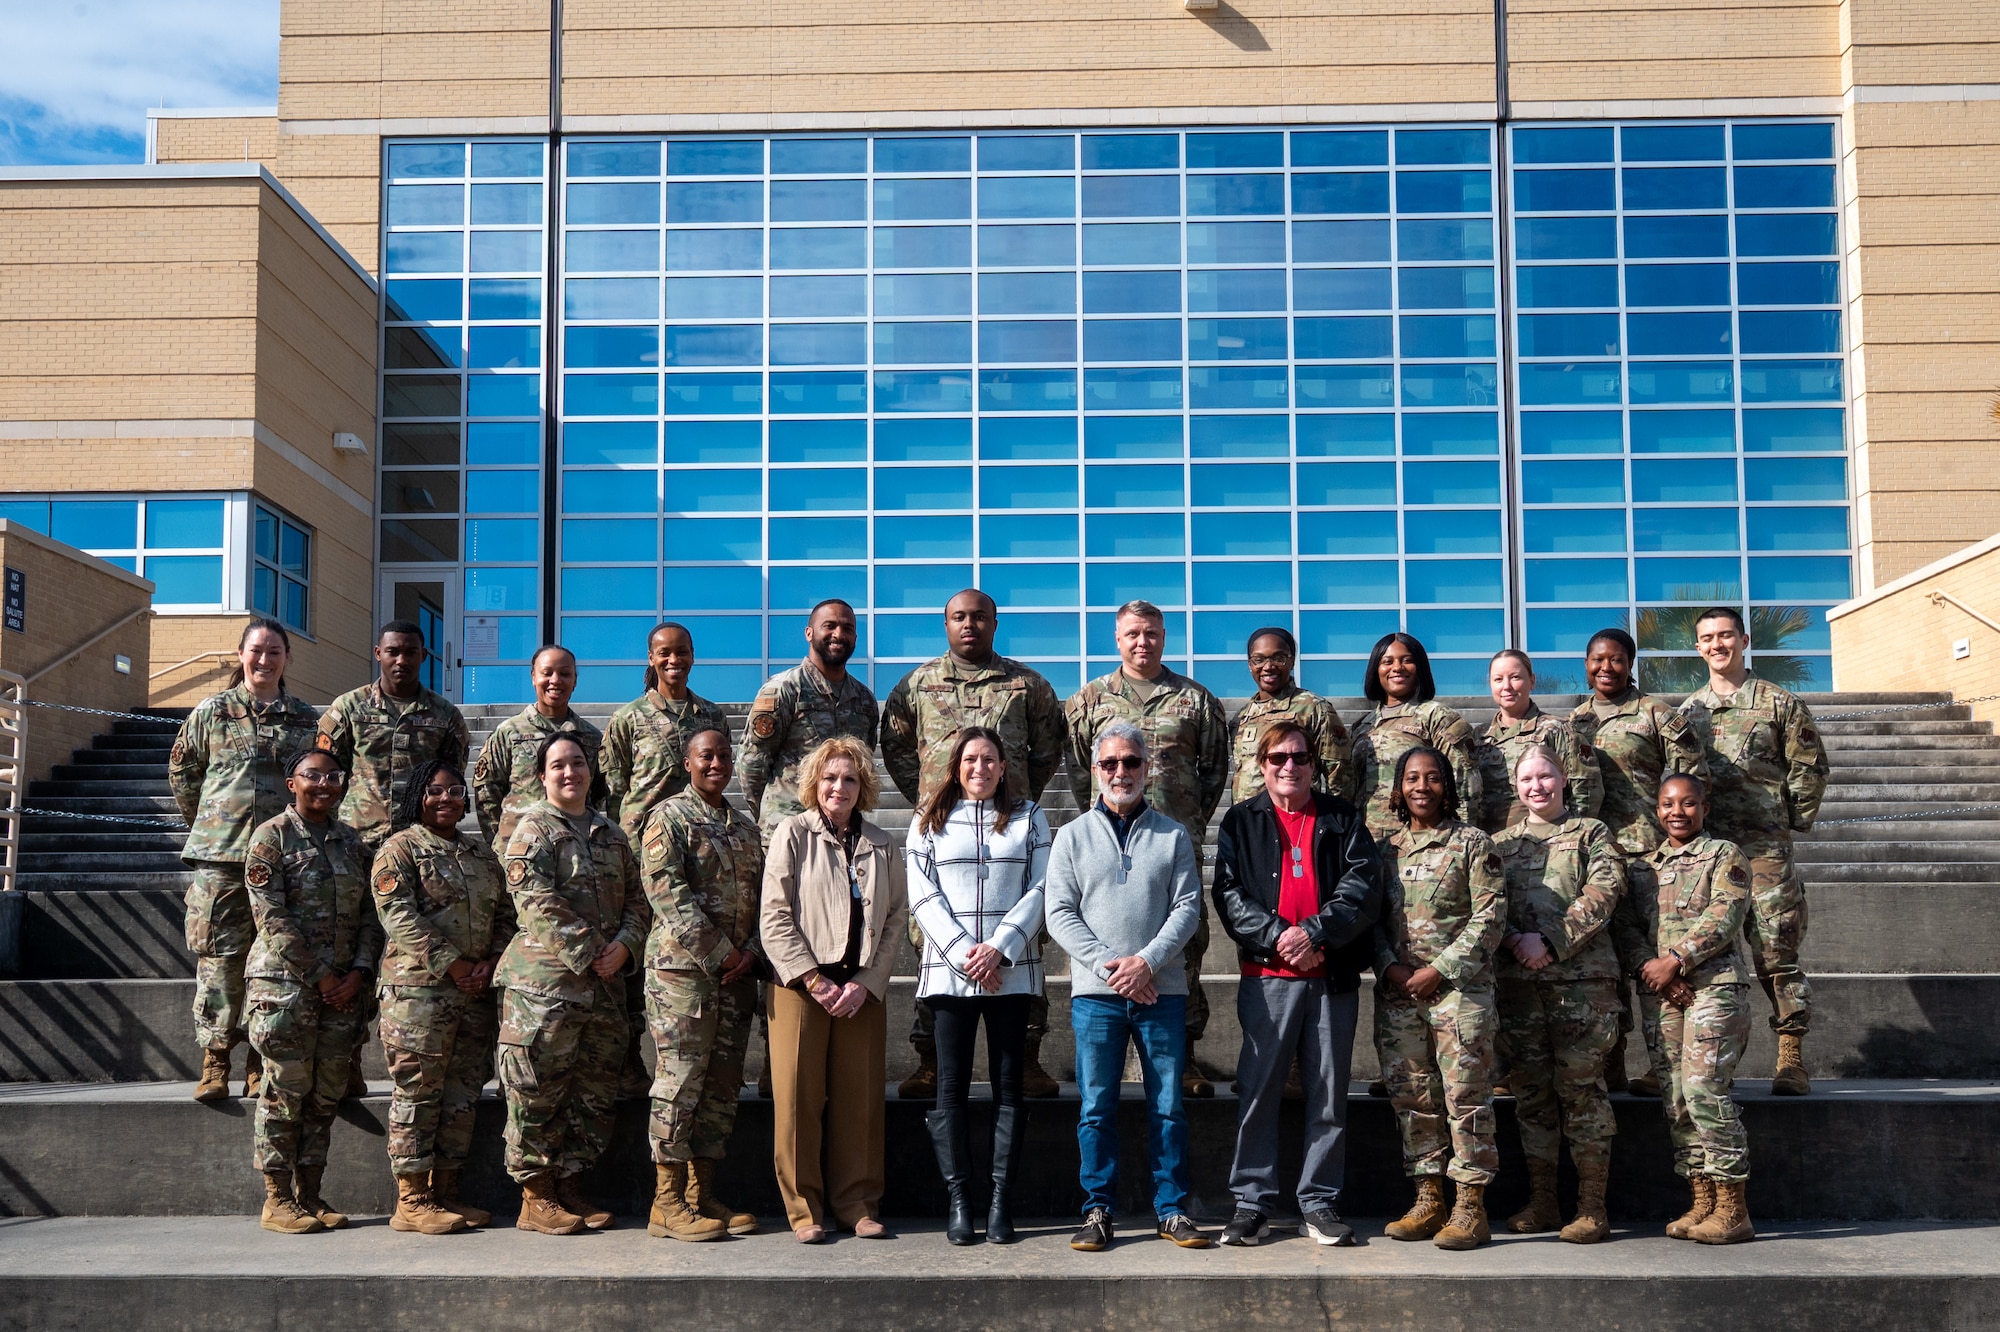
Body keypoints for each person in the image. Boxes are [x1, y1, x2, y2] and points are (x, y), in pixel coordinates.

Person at [880, 589, 1065, 1101]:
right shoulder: (915, 684)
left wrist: (1019, 792)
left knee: (1026, 942)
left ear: (994, 623)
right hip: (944, 832)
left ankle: (1026, 1059)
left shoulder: (1028, 685)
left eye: (979, 617)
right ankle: (930, 1062)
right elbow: (896, 747)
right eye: (959, 617)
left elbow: (1049, 747)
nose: (970, 625)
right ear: (946, 624)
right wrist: (933, 799)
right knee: (931, 947)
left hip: (1011, 831)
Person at [1212, 721, 1381, 1249]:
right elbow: (1230, 893)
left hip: (1330, 976)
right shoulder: (1241, 821)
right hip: (1268, 980)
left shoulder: (1343, 817)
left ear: (1314, 764)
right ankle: (1251, 1202)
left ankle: (1318, 1200)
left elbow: (1362, 886)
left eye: (1300, 757)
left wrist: (1312, 933)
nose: (1290, 766)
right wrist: (1279, 936)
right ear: (1261, 765)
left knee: (1329, 1093)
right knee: (1259, 1091)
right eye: (1278, 757)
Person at [1045, 721, 1208, 1253]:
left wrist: (1147, 962)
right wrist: (1115, 967)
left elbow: (1187, 909)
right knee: (1096, 1107)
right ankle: (1097, 1210)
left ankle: (1173, 1209)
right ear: (1095, 771)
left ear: (1147, 768)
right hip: (1096, 995)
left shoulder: (1174, 834)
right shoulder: (1070, 836)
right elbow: (1059, 914)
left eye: (1131, 762)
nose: (1122, 772)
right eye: (1111, 763)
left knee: (1168, 1107)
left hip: (1162, 993)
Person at [1064, 600, 1228, 1099]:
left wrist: (1188, 819)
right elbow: (1078, 771)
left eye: (1152, 633)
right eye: (1133, 633)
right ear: (1117, 638)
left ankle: (1185, 1056)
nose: (1143, 641)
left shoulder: (1196, 700)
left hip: (1174, 841)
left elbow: (1214, 773)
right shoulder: (1089, 701)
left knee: (1187, 942)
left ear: (1164, 636)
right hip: (1108, 842)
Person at [495, 733, 649, 1235]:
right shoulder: (532, 830)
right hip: (545, 990)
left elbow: (639, 902)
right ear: (542, 776)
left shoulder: (612, 833)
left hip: (603, 990)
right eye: (558, 765)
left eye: (578, 763)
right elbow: (534, 899)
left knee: (591, 1093)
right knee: (537, 1091)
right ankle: (535, 1196)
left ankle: (569, 1187)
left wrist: (624, 946)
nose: (569, 773)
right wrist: (591, 952)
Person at [905, 727, 1052, 1245]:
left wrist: (1000, 948)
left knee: (1009, 1086)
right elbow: (922, 895)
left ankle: (999, 1202)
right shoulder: (928, 821)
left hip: (1010, 972)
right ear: (956, 765)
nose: (980, 768)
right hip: (951, 973)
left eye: (990, 760)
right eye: (971, 759)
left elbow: (1043, 886)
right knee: (951, 1086)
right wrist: (968, 953)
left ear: (1004, 766)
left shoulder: (1031, 817)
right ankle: (960, 1199)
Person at [759, 735, 908, 1243]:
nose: (838, 787)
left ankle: (857, 1203)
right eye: (829, 778)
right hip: (802, 988)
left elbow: (893, 921)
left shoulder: (884, 845)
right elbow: (774, 917)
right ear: (813, 784)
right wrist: (815, 980)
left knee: (860, 1101)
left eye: (848, 778)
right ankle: (805, 1211)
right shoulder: (792, 834)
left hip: (860, 991)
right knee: (798, 1101)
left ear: (863, 785)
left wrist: (866, 983)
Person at [1677, 607, 1829, 1097]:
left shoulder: (1779, 703)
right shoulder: (1686, 712)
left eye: (1725, 635)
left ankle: (1791, 1055)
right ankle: (1696, 1061)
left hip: (1763, 848)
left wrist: (1787, 818)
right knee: (1702, 953)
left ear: (1744, 640)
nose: (1717, 644)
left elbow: (1809, 767)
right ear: (1697, 648)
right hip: (1707, 851)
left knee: (1775, 949)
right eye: (1707, 638)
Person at [168, 618, 320, 1102]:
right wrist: (211, 821)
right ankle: (215, 1062)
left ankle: (260, 1061)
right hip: (223, 857)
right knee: (221, 962)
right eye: (256, 650)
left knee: (273, 963)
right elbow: (183, 771)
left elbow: (316, 781)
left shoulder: (304, 719)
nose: (264, 660)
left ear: (287, 659)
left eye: (274, 651)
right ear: (241, 655)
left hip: (283, 859)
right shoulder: (211, 712)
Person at [738, 599, 880, 1101]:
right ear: (808, 633)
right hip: (789, 838)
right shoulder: (781, 691)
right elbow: (751, 769)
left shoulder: (864, 701)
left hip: (842, 841)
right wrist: (778, 824)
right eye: (829, 626)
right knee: (782, 944)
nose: (838, 633)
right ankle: (777, 1059)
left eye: (846, 627)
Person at [371, 758, 514, 1235]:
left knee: (461, 1096)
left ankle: (447, 1193)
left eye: (455, 791)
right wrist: (454, 965)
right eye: (435, 791)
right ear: (418, 796)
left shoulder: (480, 855)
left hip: (473, 994)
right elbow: (399, 915)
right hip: (419, 995)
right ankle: (411, 1199)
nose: (446, 799)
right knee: (418, 1093)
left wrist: (490, 964)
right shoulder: (400, 849)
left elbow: (506, 918)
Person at [1371, 746, 1506, 1251]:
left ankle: (1471, 1207)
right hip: (1400, 993)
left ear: (1447, 786)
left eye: (1431, 778)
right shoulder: (1386, 849)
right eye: (1411, 778)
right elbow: (1374, 921)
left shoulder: (1473, 843)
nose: (1421, 786)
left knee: (1466, 1097)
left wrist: (1439, 971)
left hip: (1459, 994)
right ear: (1399, 788)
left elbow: (1490, 917)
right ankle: (1429, 1199)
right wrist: (1391, 966)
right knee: (1413, 1097)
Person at [1613, 774, 1756, 1244]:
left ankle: (1733, 1207)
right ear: (1657, 809)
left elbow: (1725, 914)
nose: (1678, 812)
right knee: (1675, 1099)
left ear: (1704, 808)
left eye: (1688, 803)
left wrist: (1676, 962)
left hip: (1714, 988)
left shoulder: (1724, 855)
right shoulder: (1643, 868)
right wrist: (1652, 971)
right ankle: (1702, 1200)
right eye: (1668, 804)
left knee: (1704, 1090)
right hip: (1663, 995)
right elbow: (1628, 931)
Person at [243, 746, 381, 1235]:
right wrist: (321, 975)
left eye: (332, 777)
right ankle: (277, 1198)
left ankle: (311, 1193)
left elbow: (371, 914)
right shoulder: (270, 839)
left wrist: (359, 972)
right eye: (312, 776)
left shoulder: (352, 842)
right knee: (285, 1090)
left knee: (324, 1096)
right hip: (286, 989)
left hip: (344, 990)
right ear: (291, 783)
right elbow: (271, 918)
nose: (324, 785)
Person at [1493, 744, 1627, 1244]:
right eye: (1527, 778)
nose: (1537, 786)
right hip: (1520, 990)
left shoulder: (1591, 833)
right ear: (1515, 784)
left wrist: (1550, 941)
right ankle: (1544, 1200)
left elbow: (1604, 892)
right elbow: (1485, 903)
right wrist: (1514, 941)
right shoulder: (1499, 844)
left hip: (1582, 989)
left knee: (1582, 1094)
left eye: (1545, 776)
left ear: (1564, 778)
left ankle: (1592, 1205)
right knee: (1531, 1097)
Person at [638, 727, 765, 1243]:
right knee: (680, 1083)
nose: (716, 763)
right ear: (687, 762)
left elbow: (766, 899)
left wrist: (751, 953)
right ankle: (665, 1202)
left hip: (735, 979)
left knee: (720, 1088)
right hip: (683, 977)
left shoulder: (745, 828)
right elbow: (667, 892)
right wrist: (721, 953)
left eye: (723, 756)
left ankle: (701, 1193)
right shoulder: (668, 818)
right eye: (705, 756)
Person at [1572, 627, 1709, 1098]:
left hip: (1651, 855)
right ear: (1585, 664)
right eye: (1596, 659)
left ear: (1631, 664)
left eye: (1615, 659)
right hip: (1597, 857)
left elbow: (1690, 778)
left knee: (1656, 954)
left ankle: (1662, 1062)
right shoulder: (1574, 722)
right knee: (1606, 961)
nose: (1605, 667)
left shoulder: (1656, 715)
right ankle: (1611, 1058)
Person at [317, 619, 471, 851]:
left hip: (420, 841)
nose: (401, 660)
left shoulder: (445, 715)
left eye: (411, 652)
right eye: (393, 652)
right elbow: (325, 773)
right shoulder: (349, 708)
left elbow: (451, 779)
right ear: (378, 653)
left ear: (423, 655)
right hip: (357, 839)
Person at [603, 621, 730, 841]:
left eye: (682, 652)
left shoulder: (713, 716)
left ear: (692, 655)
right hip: (642, 841)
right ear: (651, 658)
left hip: (702, 838)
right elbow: (614, 789)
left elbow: (721, 773)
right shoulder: (628, 718)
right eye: (664, 653)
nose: (674, 660)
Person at [473, 644, 607, 848]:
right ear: (534, 677)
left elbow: (596, 792)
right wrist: (500, 842)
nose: (555, 680)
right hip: (519, 848)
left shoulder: (591, 738)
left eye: (565, 673)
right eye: (547, 673)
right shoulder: (509, 733)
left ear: (575, 681)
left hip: (576, 848)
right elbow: (487, 793)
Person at [1351, 633, 1480, 841]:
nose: (1397, 668)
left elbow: (1464, 785)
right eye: (1387, 662)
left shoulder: (1438, 717)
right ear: (1376, 669)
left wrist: (1459, 841)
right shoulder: (1360, 727)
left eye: (1407, 660)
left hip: (1421, 843)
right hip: (1366, 843)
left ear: (1420, 667)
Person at [1475, 649, 1600, 834]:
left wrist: (1570, 836)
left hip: (1544, 844)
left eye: (1515, 677)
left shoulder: (1556, 729)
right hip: (1492, 844)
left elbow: (1586, 790)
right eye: (1498, 679)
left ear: (1532, 681)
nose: (1506, 686)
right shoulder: (1479, 736)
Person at [1228, 627, 1353, 804]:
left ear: (1292, 662)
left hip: (1296, 817)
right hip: (1248, 821)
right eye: (1259, 659)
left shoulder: (1314, 708)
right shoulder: (1241, 716)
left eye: (1279, 658)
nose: (1268, 667)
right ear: (1250, 665)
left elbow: (1339, 775)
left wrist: (1337, 820)